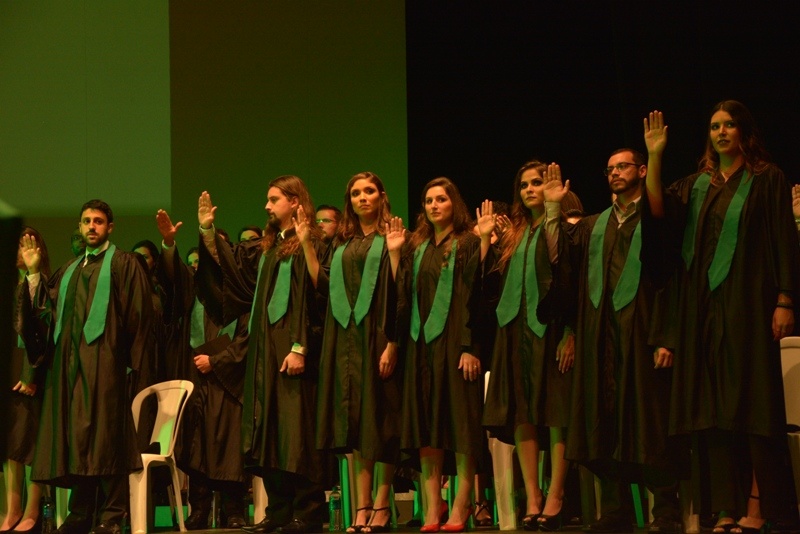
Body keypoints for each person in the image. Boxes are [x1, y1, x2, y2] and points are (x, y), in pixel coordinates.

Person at [643, 104, 800, 533]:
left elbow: (785, 240)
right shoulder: (696, 185)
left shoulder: (767, 179)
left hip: (748, 306)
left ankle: (757, 505)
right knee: (711, 413)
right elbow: (656, 213)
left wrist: (785, 298)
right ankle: (725, 507)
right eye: (714, 126)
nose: (721, 132)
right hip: (702, 312)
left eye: (729, 124)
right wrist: (655, 156)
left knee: (752, 405)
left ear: (744, 130)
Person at [196, 177, 329, 534]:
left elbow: (314, 299)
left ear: (295, 201)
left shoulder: (312, 242)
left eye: (274, 200)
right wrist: (208, 232)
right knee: (268, 427)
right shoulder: (269, 247)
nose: (267, 207)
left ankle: (309, 511)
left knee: (295, 430)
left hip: (292, 346)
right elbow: (233, 270)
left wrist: (300, 347)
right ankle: (280, 510)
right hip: (264, 347)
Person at [562, 149, 681, 534]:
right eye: (609, 168)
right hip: (601, 336)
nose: (614, 173)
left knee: (649, 422)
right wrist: (552, 213)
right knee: (603, 420)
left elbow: (669, 278)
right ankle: (616, 509)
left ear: (641, 170)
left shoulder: (657, 217)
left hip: (642, 330)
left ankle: (664, 511)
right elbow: (563, 273)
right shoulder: (596, 224)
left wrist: (666, 336)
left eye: (623, 166)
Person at [19, 199, 154, 534]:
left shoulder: (124, 264)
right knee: (77, 438)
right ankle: (81, 511)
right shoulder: (69, 270)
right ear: (79, 227)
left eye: (98, 221)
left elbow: (140, 319)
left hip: (107, 367)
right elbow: (44, 320)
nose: (91, 226)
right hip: (69, 370)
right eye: (86, 221)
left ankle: (112, 514)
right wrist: (34, 275)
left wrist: (132, 367)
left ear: (110, 227)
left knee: (107, 439)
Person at [480, 161, 575, 532]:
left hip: (549, 328)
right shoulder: (514, 234)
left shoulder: (564, 226)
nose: (530, 189)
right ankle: (533, 496)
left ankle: (556, 494)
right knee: (521, 411)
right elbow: (489, 290)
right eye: (524, 185)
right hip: (513, 330)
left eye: (537, 182)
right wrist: (487, 244)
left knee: (554, 411)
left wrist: (570, 332)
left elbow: (567, 275)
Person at [313, 172, 404, 534]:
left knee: (381, 423)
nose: (362, 198)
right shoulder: (342, 243)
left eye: (369, 191)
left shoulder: (395, 236)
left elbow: (403, 291)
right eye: (355, 193)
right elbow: (325, 287)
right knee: (355, 425)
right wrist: (307, 244)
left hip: (380, 336)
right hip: (347, 342)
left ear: (382, 195)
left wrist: (392, 343)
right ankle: (361, 506)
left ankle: (382, 505)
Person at [397, 177, 484, 533]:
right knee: (426, 429)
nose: (434, 206)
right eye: (429, 200)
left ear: (454, 205)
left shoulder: (467, 244)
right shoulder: (417, 249)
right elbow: (403, 300)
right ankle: (432, 508)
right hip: (421, 347)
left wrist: (469, 347)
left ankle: (462, 504)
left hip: (455, 346)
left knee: (461, 426)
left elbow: (474, 299)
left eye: (442, 199)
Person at [155, 209, 250, 529]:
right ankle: (199, 508)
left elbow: (246, 339)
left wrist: (218, 361)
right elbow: (172, 274)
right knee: (196, 445)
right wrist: (169, 244)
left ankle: (235, 509)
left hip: (228, 382)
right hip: (195, 380)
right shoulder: (192, 288)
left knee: (229, 446)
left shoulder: (241, 294)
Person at [2, 227, 50, 534]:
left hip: (31, 372)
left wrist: (29, 374)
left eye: (28, 245)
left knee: (30, 444)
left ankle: (32, 511)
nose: (23, 250)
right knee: (9, 445)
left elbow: (39, 333)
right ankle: (12, 509)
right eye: (19, 245)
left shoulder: (43, 284)